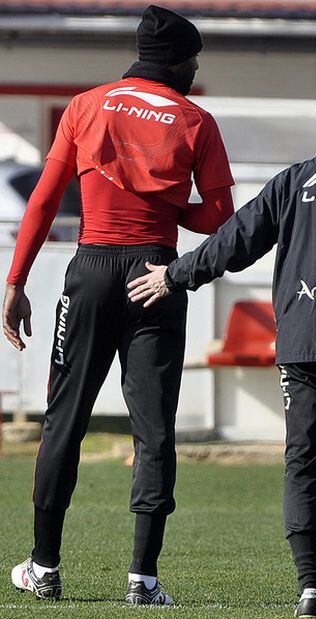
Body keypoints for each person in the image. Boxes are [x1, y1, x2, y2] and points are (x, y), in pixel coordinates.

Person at [129, 83, 316, 617]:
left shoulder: (293, 183)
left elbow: (234, 242)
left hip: (305, 346)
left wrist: (175, 274)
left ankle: (312, 588)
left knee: (302, 465)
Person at [2, 4, 234, 606]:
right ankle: (143, 579)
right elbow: (218, 218)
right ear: (179, 62)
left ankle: (45, 566)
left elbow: (45, 200)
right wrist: (168, 210)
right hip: (157, 272)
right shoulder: (195, 118)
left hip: (93, 270)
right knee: (153, 430)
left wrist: (16, 281)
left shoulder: (85, 105)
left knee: (65, 419)